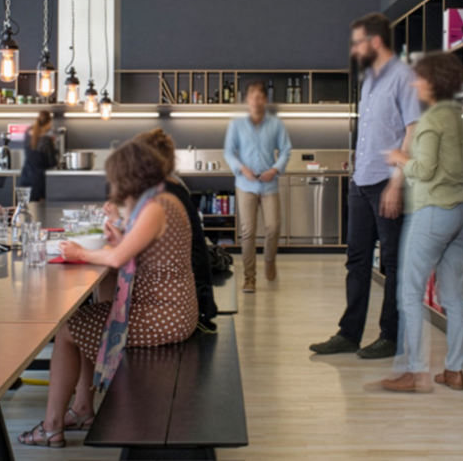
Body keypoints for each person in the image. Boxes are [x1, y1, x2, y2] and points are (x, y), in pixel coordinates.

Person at [17, 141, 197, 448]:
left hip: (165, 315)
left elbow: (115, 259)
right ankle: (82, 407)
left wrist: (80, 253)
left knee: (67, 330)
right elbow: (136, 248)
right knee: (90, 315)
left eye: (115, 178)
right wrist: (119, 236)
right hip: (175, 309)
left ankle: (52, 426)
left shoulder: (156, 208)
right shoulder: (162, 202)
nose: (112, 185)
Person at [310, 13, 420, 359]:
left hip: (388, 182)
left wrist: (396, 184)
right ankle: (349, 334)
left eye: (358, 41)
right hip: (361, 181)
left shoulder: (403, 77)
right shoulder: (369, 81)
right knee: (356, 260)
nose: (354, 49)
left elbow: (412, 132)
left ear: (375, 41)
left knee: (392, 262)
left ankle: (391, 336)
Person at [381, 53, 463, 392]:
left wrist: (399, 157)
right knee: (453, 295)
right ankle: (454, 371)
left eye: (419, 78)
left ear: (434, 83)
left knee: (409, 291)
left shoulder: (432, 121)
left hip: (433, 211)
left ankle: (415, 372)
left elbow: (424, 171)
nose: (414, 83)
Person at [134, 127, 218, 328]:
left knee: (72, 329)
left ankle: (105, 351)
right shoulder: (173, 188)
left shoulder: (161, 197)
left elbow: (127, 252)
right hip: (192, 296)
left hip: (177, 307)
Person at [223, 80, 292, 293]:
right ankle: (249, 278)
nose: (255, 100)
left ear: (265, 99)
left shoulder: (276, 124)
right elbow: (228, 152)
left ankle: (269, 261)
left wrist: (275, 169)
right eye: (252, 96)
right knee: (248, 232)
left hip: (269, 185)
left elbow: (286, 149)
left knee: (273, 228)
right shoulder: (236, 125)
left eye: (259, 96)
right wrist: (241, 168)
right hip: (245, 185)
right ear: (247, 100)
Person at [18, 111, 59, 222]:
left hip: (25, 178)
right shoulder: (46, 141)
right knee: (40, 216)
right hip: (39, 183)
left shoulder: (28, 133)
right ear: (47, 123)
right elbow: (52, 162)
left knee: (26, 214)